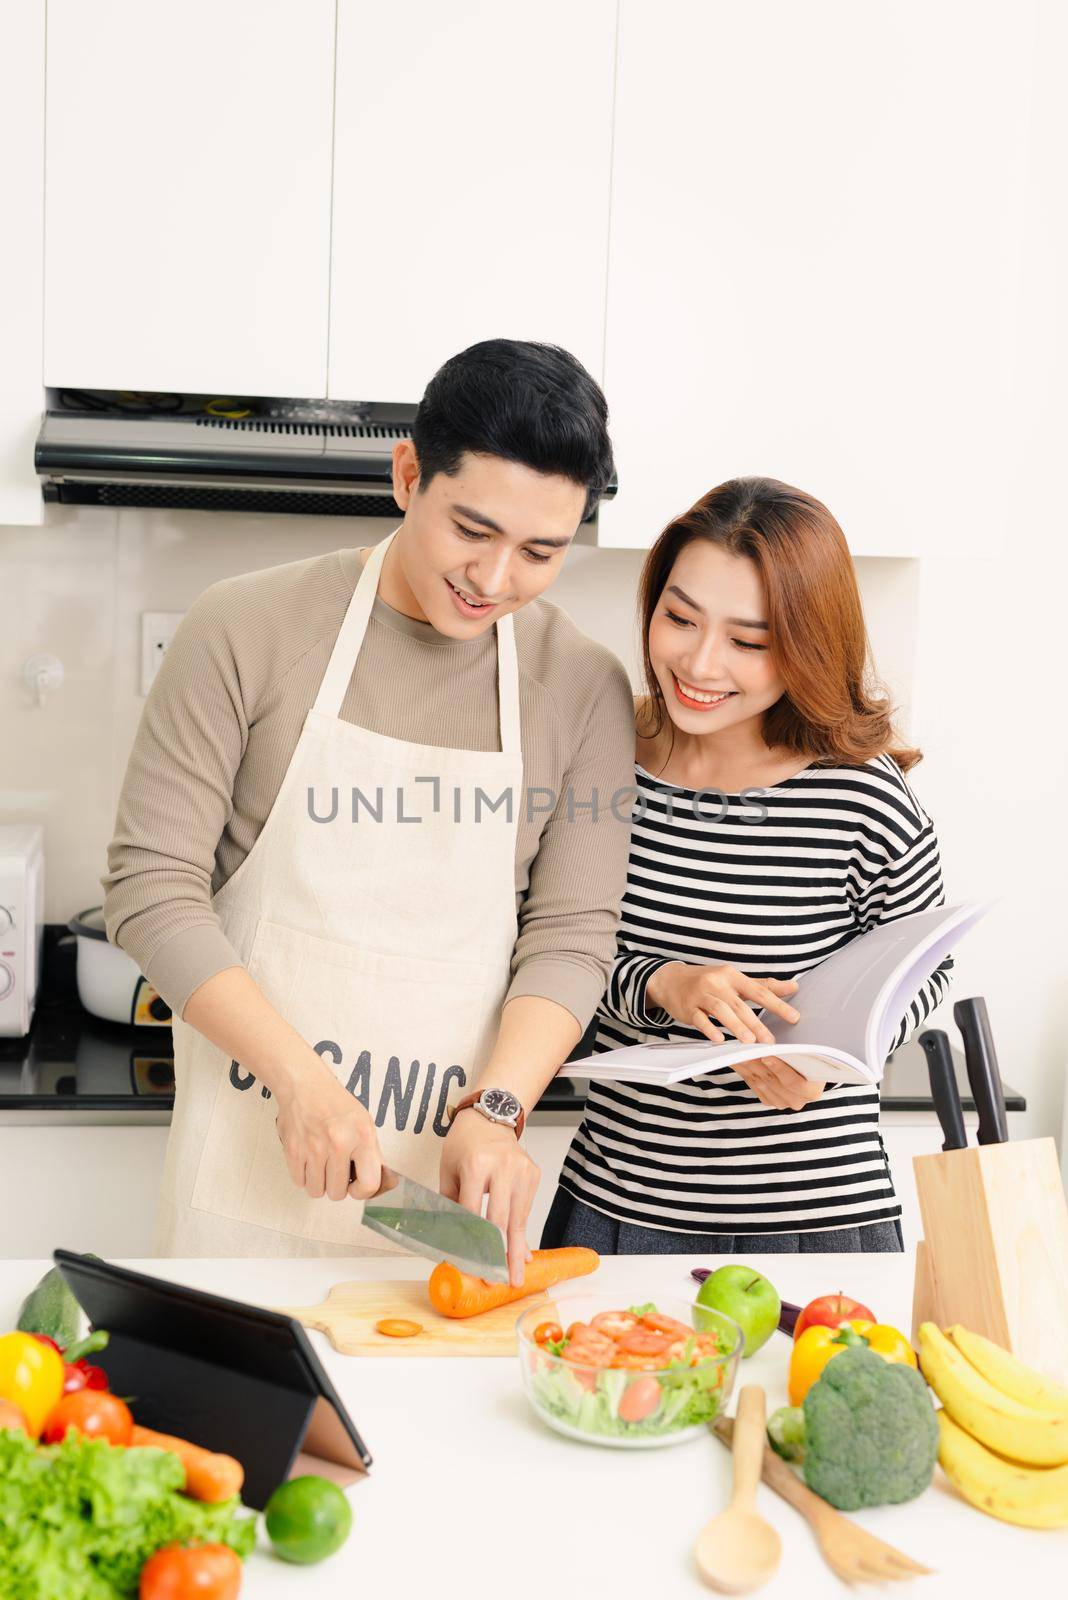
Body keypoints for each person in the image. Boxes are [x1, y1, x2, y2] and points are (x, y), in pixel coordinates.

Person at [102, 339, 634, 1276]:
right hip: (245, 1189)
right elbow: (150, 888)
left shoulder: (579, 684)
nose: (497, 577)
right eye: (473, 530)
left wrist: (500, 1110)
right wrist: (300, 1082)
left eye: (541, 550)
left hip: (440, 1206)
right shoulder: (244, 626)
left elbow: (573, 933)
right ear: (407, 475)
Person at [542, 477, 951, 1254]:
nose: (699, 662)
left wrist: (832, 1062)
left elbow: (925, 966)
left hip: (818, 1220)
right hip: (618, 1206)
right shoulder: (599, 760)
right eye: (679, 618)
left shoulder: (860, 796)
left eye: (749, 642)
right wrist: (663, 983)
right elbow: (550, 948)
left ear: (805, 646)